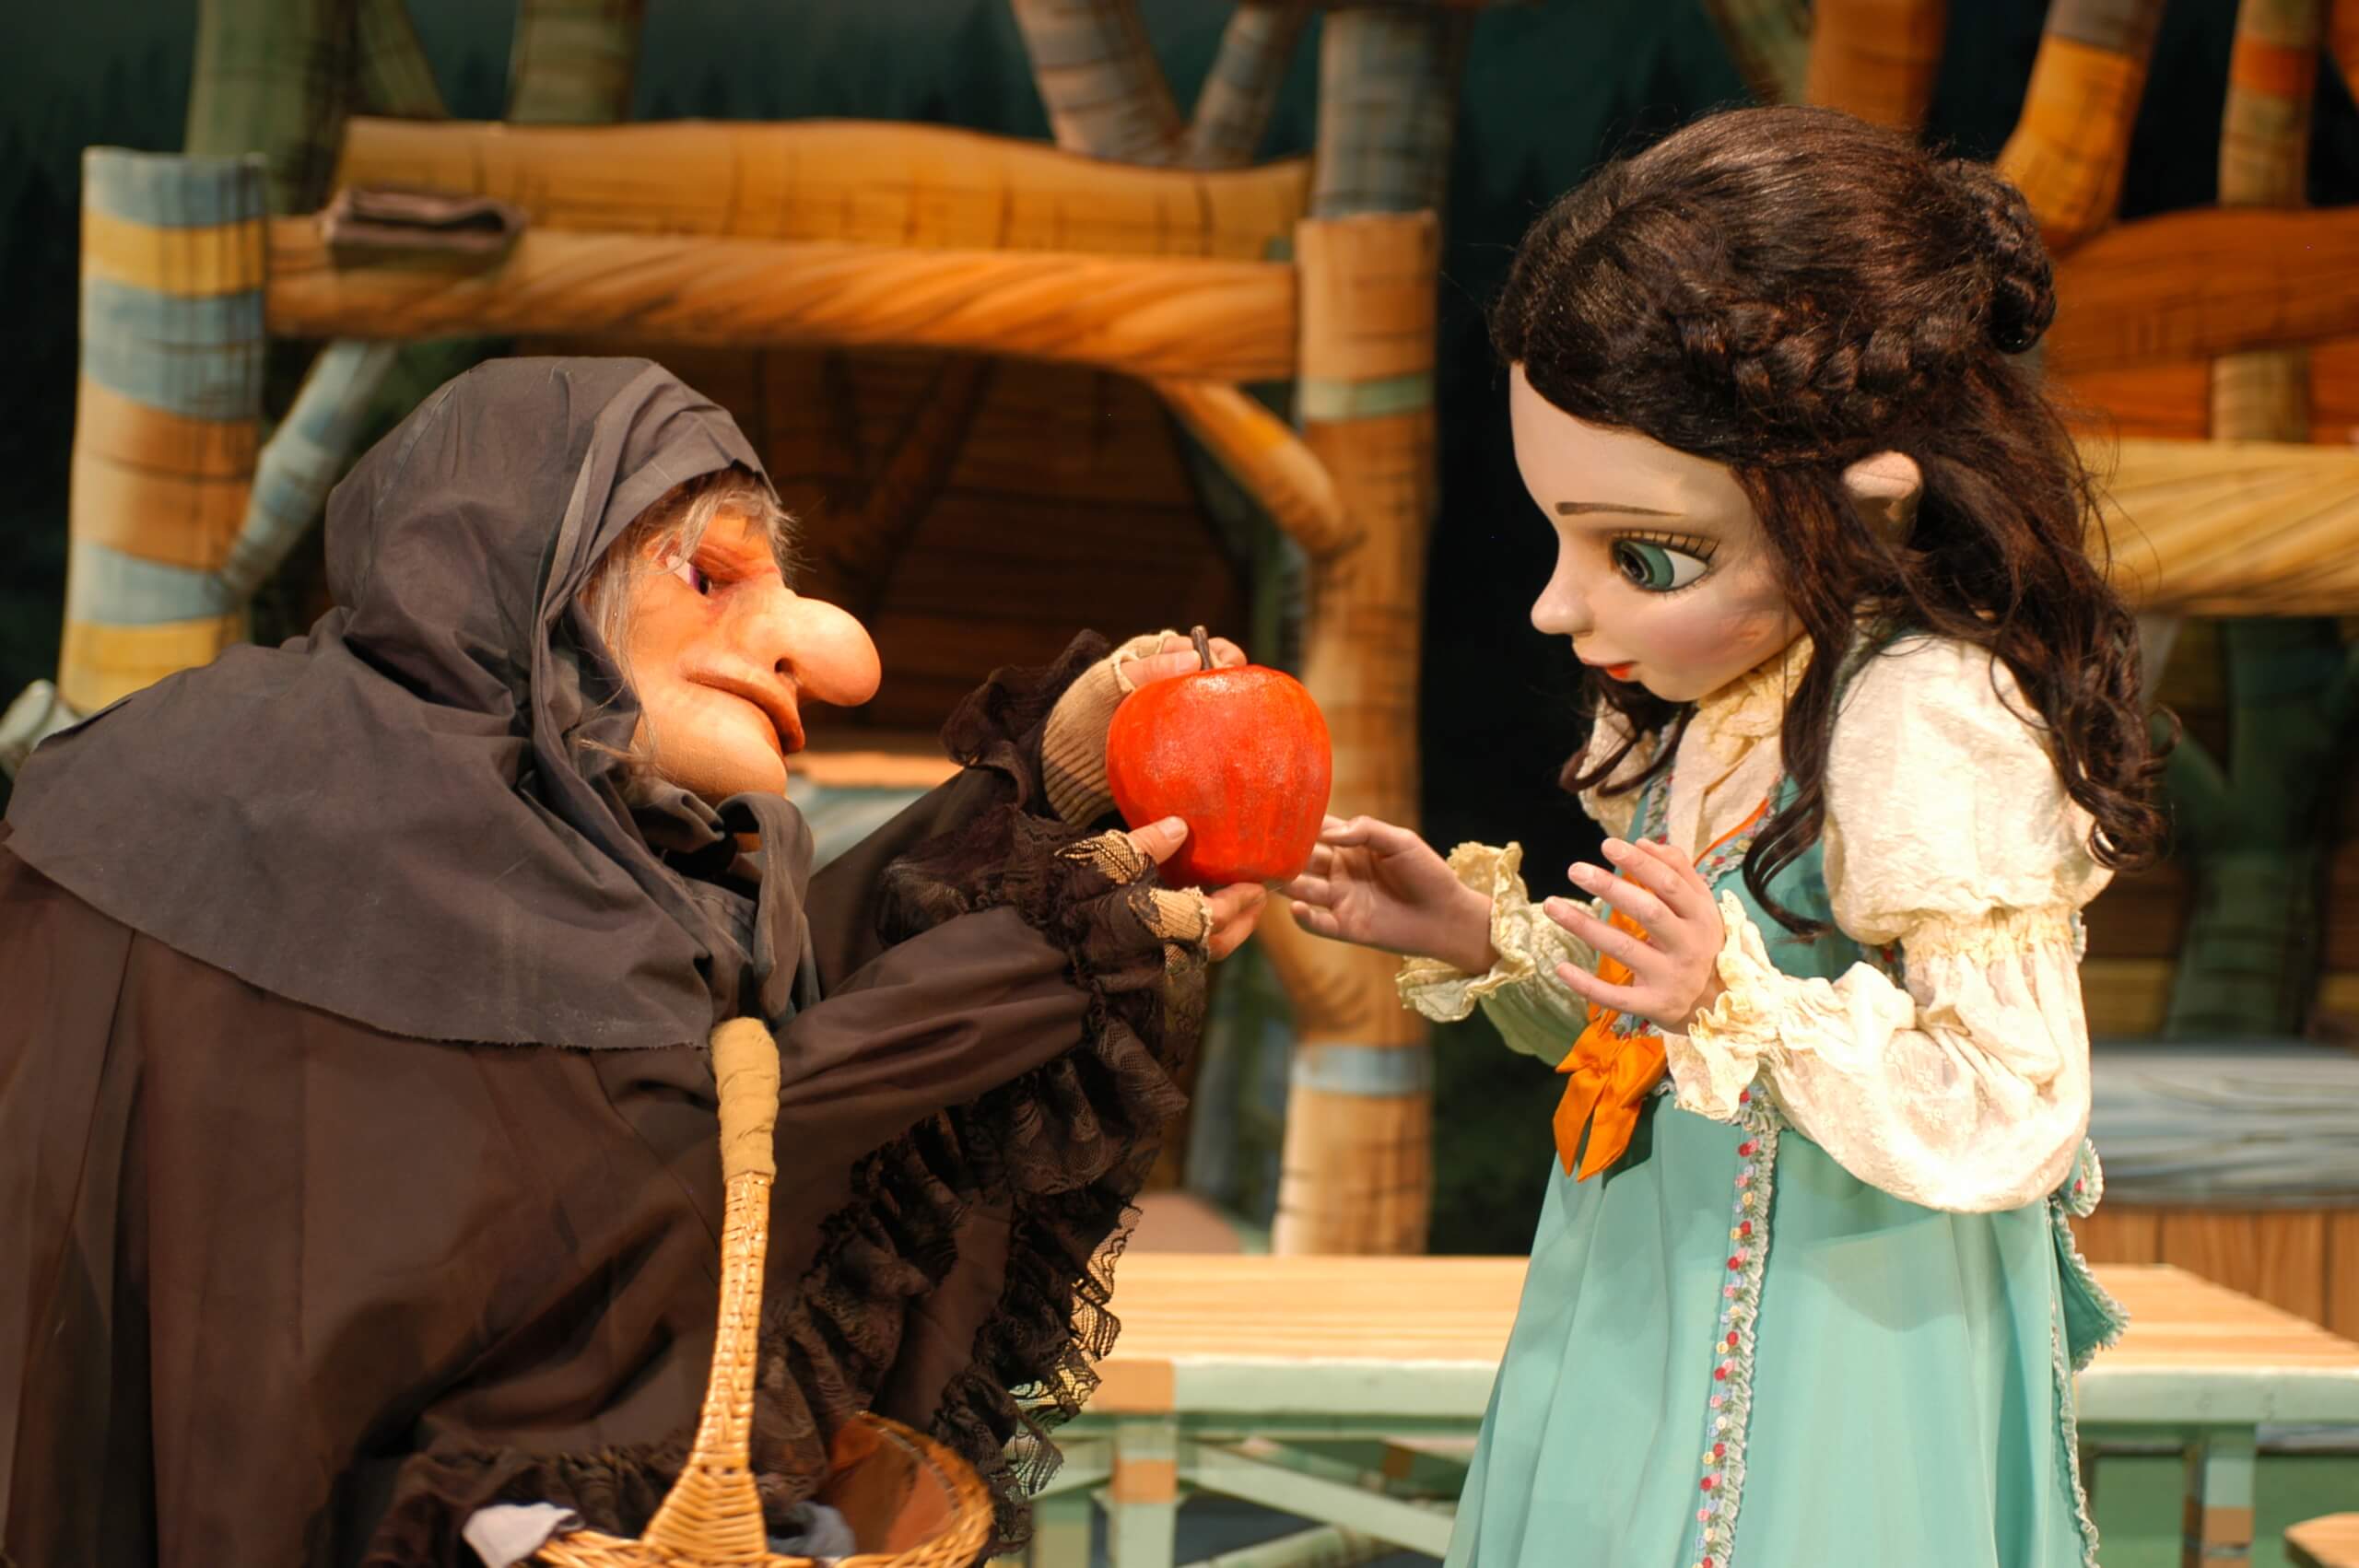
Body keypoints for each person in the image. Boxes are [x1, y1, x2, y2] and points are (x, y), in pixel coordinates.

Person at [0, 357, 1264, 1565]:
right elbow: (662, 1178)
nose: (826, 655)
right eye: (709, 573)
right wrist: (1046, 947)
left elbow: (742, 1060)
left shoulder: (613, 849)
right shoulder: (309, 813)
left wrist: (1041, 803)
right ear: (524, 563)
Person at [1284, 107, 2164, 1568]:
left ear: (1868, 506)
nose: (1557, 606)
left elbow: (2010, 1097)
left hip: (1841, 1333)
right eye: (1559, 537)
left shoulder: (1921, 719)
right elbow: (1663, 1042)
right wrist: (1490, 939)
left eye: (1643, 555)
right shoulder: (1719, 702)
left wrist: (1733, 999)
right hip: (1644, 1302)